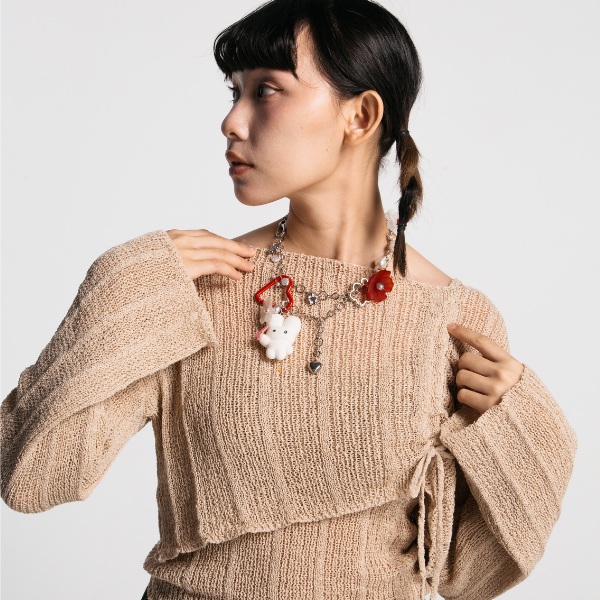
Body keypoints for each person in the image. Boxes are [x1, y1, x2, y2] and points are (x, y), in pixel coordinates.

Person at [1, 1, 577, 599]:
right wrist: (121, 287)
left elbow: (466, 577)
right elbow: (34, 477)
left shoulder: (455, 321)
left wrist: (524, 428)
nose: (231, 121)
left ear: (361, 115)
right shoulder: (190, 286)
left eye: (266, 91)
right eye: (234, 92)